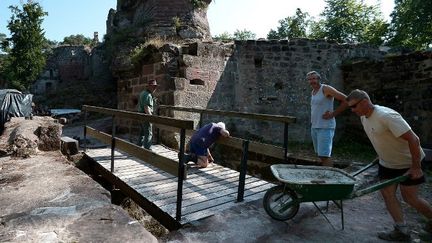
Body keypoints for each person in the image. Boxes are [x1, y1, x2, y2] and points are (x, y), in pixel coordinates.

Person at [346, 89, 432, 241]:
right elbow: (381, 136)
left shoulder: (387, 116)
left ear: (364, 102)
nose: (352, 110)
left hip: (408, 162)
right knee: (387, 194)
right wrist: (382, 153)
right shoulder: (364, 117)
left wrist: (416, 167)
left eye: (354, 106)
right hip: (388, 163)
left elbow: (414, 140)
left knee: (410, 198)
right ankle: (402, 230)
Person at [307, 71, 348, 167]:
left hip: (325, 127)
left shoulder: (325, 89)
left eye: (313, 78)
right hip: (315, 126)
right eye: (309, 79)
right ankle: (326, 174)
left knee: (324, 155)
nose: (312, 81)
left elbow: (346, 100)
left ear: (318, 79)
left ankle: (330, 177)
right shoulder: (313, 92)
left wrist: (333, 114)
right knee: (320, 155)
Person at [137, 79, 157, 150]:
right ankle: (147, 149)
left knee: (142, 132)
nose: (154, 88)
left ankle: (138, 146)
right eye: (153, 86)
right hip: (145, 115)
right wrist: (150, 118)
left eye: (155, 86)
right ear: (148, 86)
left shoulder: (143, 93)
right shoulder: (148, 95)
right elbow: (146, 107)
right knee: (148, 132)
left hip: (140, 114)